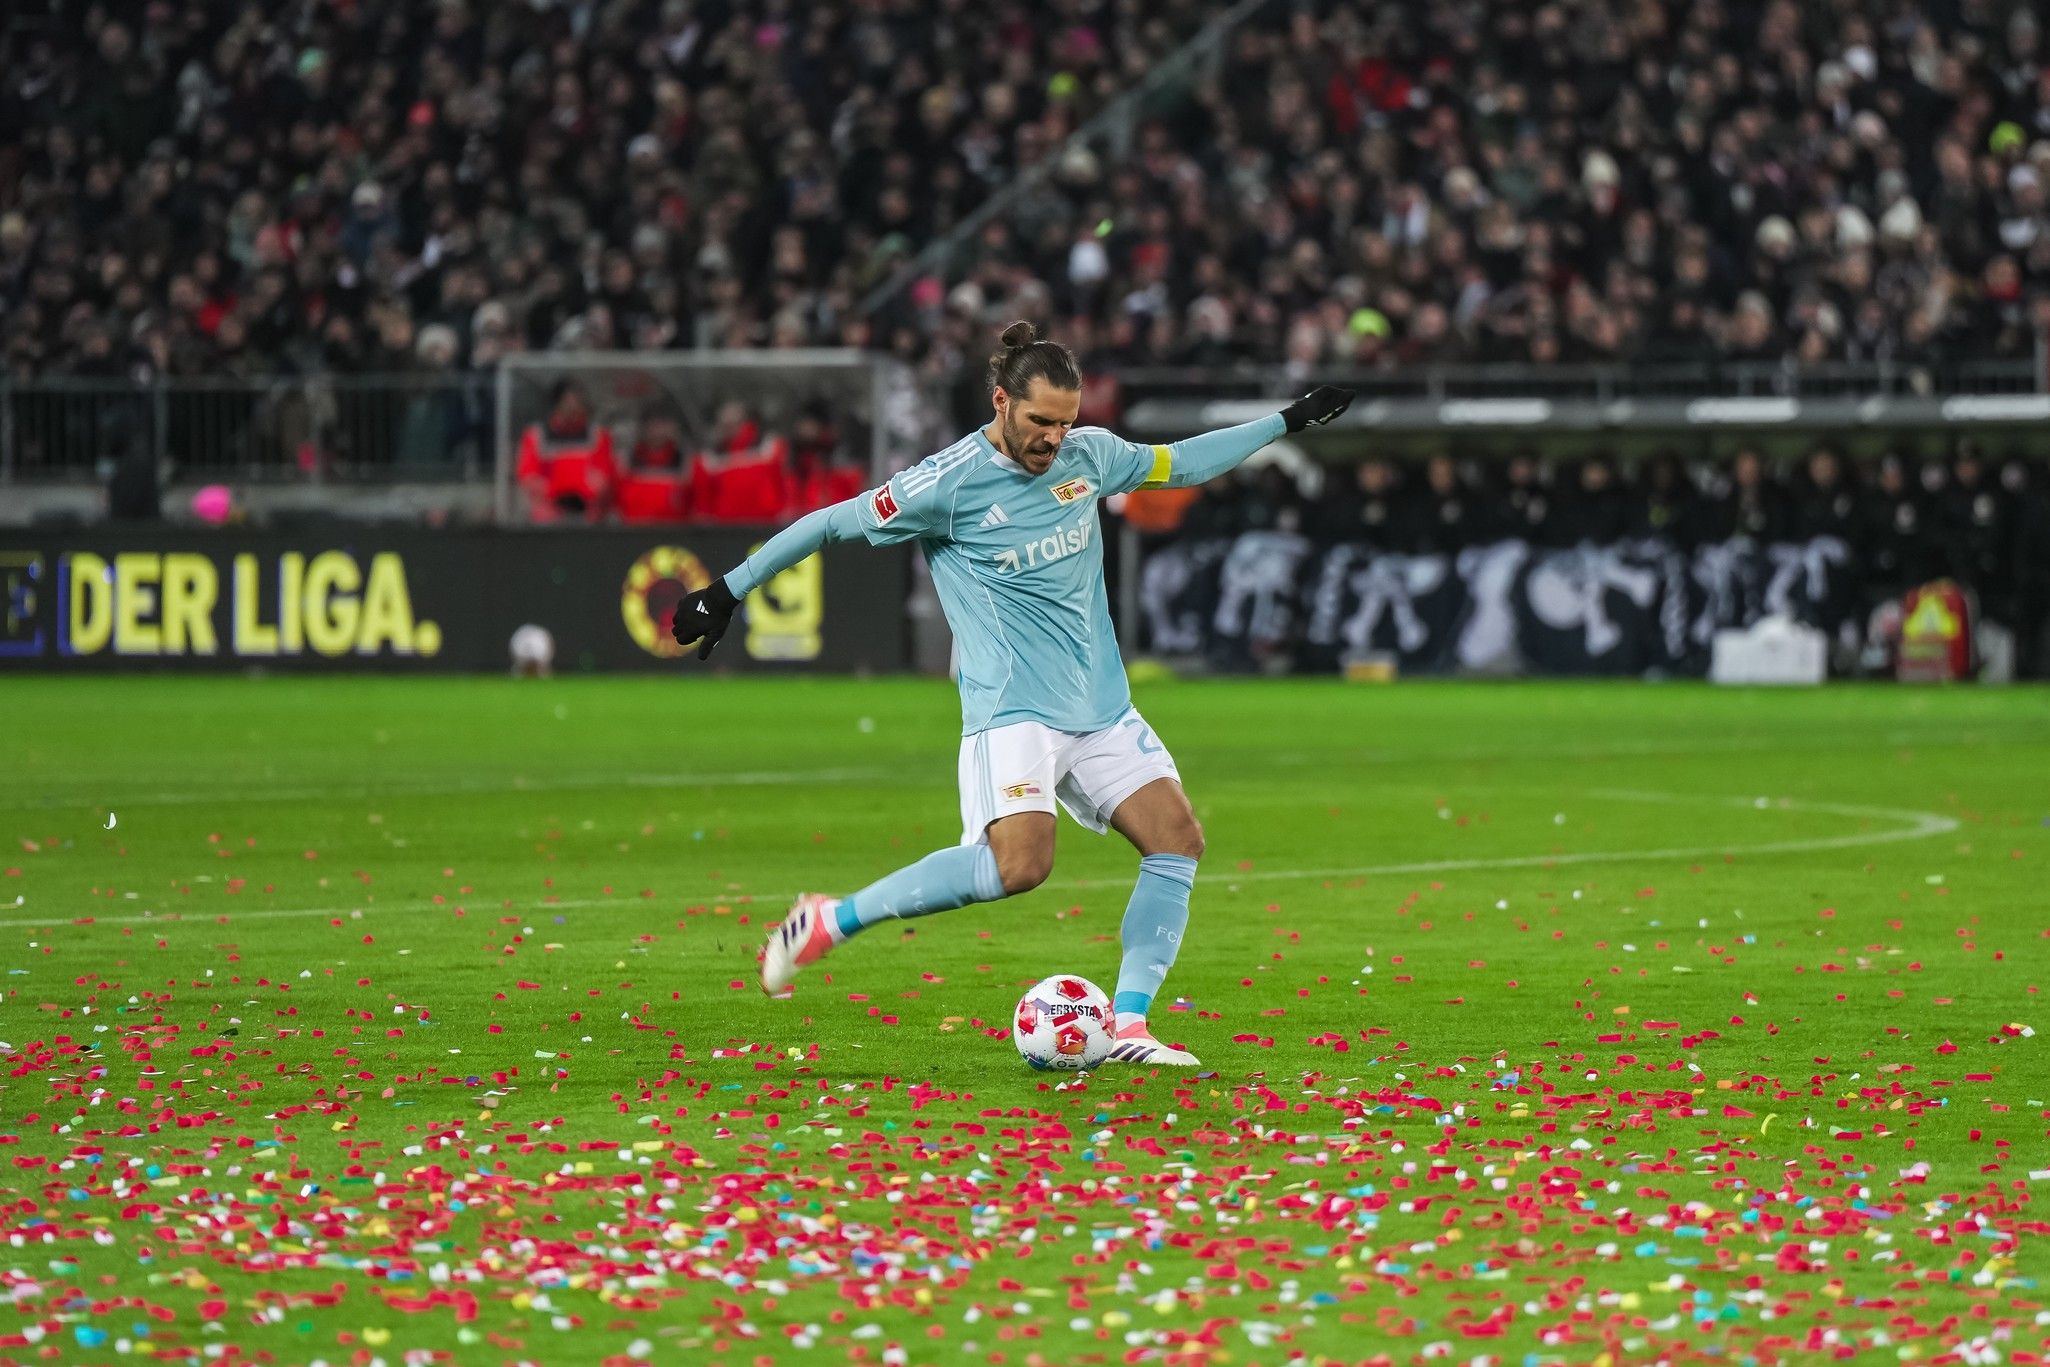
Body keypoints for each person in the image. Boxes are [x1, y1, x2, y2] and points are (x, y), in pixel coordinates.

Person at [671, 321, 1352, 1066]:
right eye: (1039, 421)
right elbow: (833, 523)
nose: (1054, 438)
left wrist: (1287, 420)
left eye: (1065, 421)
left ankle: (1127, 1029)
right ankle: (832, 918)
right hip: (1012, 708)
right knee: (1019, 866)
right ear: (1001, 401)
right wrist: (727, 591)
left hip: (1099, 703)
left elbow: (1181, 464)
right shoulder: (946, 484)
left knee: (1177, 838)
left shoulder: (1090, 456)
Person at [516, 379, 615, 523]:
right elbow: (529, 475)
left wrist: (582, 495)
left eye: (577, 401)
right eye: (568, 401)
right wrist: (556, 495)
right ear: (556, 403)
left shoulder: (598, 435)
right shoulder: (536, 435)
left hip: (588, 514)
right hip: (547, 515)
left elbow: (603, 476)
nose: (573, 406)